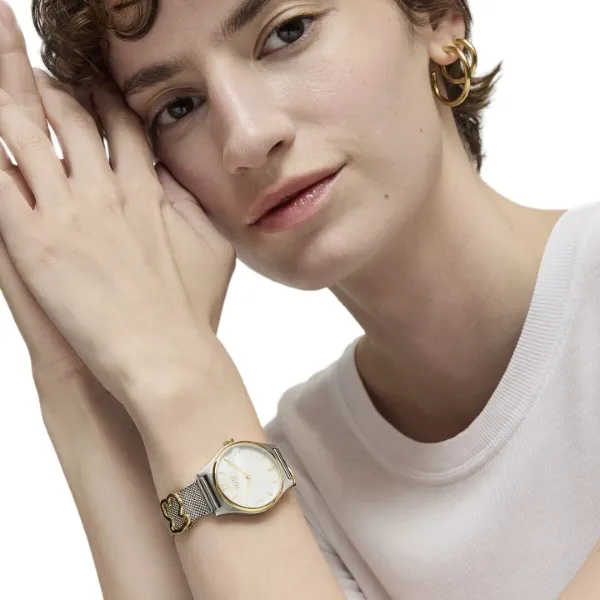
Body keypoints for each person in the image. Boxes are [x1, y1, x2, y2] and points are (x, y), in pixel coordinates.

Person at [0, 0, 598, 598]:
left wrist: (180, 373)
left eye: (287, 33)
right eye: (178, 107)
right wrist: (80, 383)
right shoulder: (273, 479)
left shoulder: (235, 471)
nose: (246, 138)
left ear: (436, 17)